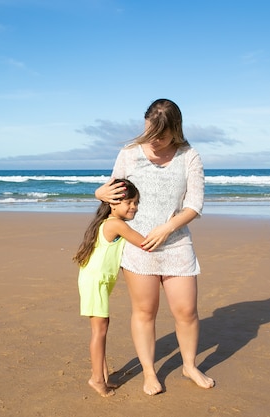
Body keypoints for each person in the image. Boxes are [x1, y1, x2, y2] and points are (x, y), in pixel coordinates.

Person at [94, 98, 215, 395]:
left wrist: (168, 227)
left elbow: (195, 204)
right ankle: (150, 372)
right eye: (151, 133)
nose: (156, 141)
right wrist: (98, 192)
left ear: (176, 130)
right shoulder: (129, 154)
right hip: (137, 245)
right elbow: (113, 195)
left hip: (176, 244)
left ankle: (189, 365)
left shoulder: (189, 156)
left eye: (162, 135)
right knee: (145, 311)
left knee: (186, 311)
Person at [74, 179, 147, 397]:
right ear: (113, 203)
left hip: (95, 279)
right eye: (130, 202)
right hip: (96, 281)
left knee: (101, 328)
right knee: (100, 330)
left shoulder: (108, 221)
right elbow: (143, 243)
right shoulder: (115, 223)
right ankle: (97, 379)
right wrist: (167, 228)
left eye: (136, 202)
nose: (134, 206)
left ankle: (103, 375)